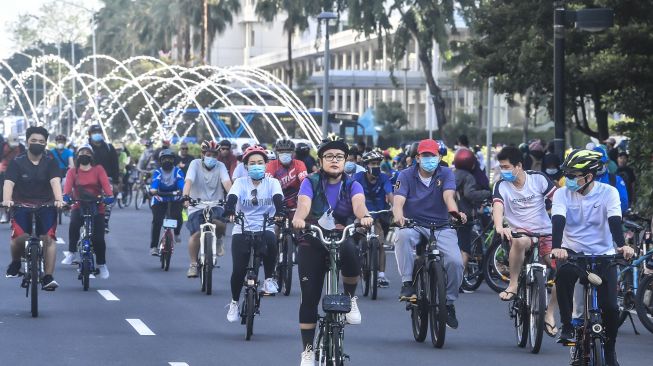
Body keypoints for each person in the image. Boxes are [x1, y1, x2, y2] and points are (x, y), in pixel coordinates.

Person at [292, 135, 373, 365]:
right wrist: (299, 218)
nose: (334, 160)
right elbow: (304, 204)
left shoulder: (352, 183)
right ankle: (307, 350)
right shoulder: (311, 181)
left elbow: (359, 204)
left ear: (346, 160)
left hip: (341, 234)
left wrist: (364, 217)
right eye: (329, 156)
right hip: (313, 238)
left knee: (350, 251)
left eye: (339, 156)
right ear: (321, 161)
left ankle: (350, 298)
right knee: (309, 298)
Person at [551, 149, 634, 366]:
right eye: (566, 175)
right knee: (563, 276)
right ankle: (568, 325)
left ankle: (610, 350)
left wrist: (622, 246)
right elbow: (558, 220)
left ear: (589, 177)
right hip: (573, 254)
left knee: (611, 309)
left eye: (571, 176)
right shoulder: (561, 193)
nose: (566, 180)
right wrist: (557, 247)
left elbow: (615, 220)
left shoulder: (609, 192)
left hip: (603, 256)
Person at [393, 139, 467, 330]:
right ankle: (407, 283)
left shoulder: (446, 173)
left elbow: (448, 196)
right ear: (417, 158)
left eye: (432, 156)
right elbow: (398, 201)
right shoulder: (406, 174)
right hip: (414, 224)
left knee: (455, 261)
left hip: (442, 225)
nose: (429, 159)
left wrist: (455, 214)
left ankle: (448, 303)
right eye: (425, 156)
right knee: (402, 237)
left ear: (439, 157)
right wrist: (399, 217)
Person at [492, 146, 559, 333]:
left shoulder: (538, 179)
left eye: (506, 167)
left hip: (546, 233)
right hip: (521, 232)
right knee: (520, 241)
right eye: (501, 167)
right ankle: (513, 284)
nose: (503, 171)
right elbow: (498, 207)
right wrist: (499, 226)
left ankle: (550, 314)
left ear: (519, 166)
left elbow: (559, 200)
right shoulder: (501, 185)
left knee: (563, 269)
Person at [224, 145, 284, 322]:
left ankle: (269, 279)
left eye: (260, 162)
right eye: (252, 163)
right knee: (238, 270)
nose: (256, 166)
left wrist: (280, 212)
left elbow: (278, 199)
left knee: (271, 241)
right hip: (242, 227)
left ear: (266, 165)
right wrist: (229, 210)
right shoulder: (240, 182)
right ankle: (234, 302)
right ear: (246, 166)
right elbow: (232, 198)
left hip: (265, 225)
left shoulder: (272, 182)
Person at [3, 126, 64, 290]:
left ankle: (48, 277)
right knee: (18, 239)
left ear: (45, 144)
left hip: (46, 205)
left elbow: (55, 182)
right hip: (21, 205)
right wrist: (7, 200)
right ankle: (16, 262)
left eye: (41, 141)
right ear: (27, 142)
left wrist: (59, 199)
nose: (38, 143)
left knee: (49, 239)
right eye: (34, 141)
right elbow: (9, 183)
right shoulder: (17, 162)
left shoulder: (50, 162)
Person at [61, 144, 114, 279]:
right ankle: (72, 252)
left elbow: (106, 186)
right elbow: (67, 188)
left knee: (98, 239)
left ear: (92, 156)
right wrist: (66, 196)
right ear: (77, 156)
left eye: (87, 153)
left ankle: (102, 265)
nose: (84, 155)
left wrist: (109, 196)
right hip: (78, 205)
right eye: (81, 152)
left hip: (97, 206)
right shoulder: (73, 171)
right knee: (73, 224)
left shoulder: (98, 169)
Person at [182, 140, 231, 277]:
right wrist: (186, 197)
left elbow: (227, 183)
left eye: (215, 155)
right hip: (196, 205)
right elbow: (188, 181)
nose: (212, 158)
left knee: (220, 225)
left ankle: (219, 239)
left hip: (216, 203)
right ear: (203, 154)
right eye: (209, 154)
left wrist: (233, 198)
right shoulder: (194, 164)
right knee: (196, 234)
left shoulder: (220, 166)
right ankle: (193, 264)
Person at [353, 150, 393, 287]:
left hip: (377, 216)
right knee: (357, 240)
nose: (376, 166)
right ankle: (359, 260)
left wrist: (395, 206)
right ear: (365, 166)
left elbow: (390, 193)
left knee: (380, 244)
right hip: (361, 215)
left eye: (377, 164)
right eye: (372, 164)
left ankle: (381, 275)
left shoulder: (384, 178)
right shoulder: (357, 178)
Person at [452, 149, 491, 284]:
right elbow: (470, 194)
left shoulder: (452, 174)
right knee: (465, 249)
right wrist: (486, 193)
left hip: (449, 215)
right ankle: (457, 280)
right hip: (464, 215)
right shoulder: (469, 177)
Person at [149, 149, 185, 256]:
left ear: (173, 160)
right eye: (165, 159)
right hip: (159, 199)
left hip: (175, 199)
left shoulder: (178, 171)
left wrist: (182, 190)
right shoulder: (157, 172)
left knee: (178, 216)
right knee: (157, 221)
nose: (167, 161)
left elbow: (181, 182)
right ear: (161, 160)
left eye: (170, 159)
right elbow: (155, 182)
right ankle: (154, 247)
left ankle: (177, 233)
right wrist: (153, 190)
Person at [87, 125, 119, 233]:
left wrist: (116, 182)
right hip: (88, 179)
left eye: (99, 132)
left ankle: (105, 222)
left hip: (107, 179)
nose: (97, 134)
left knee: (108, 201)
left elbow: (115, 165)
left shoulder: (109, 148)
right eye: (94, 132)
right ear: (89, 134)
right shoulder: (86, 148)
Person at [266, 139, 308, 213]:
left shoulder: (299, 164)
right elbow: (267, 182)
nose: (284, 154)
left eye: (288, 152)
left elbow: (304, 181)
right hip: (277, 202)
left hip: (296, 202)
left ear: (293, 153)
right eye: (281, 152)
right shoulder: (272, 164)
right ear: (277, 153)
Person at [593, 146, 629, 213]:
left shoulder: (616, 180)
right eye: (594, 163)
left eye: (601, 163)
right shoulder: (584, 179)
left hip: (609, 220)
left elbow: (624, 203)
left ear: (606, 163)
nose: (598, 166)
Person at [0, 134, 25, 223]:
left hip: (17, 169)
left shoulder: (21, 147)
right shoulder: (2, 146)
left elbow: (25, 159)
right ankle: (3, 213)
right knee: (2, 191)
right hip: (4, 169)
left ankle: (17, 214)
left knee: (20, 191)